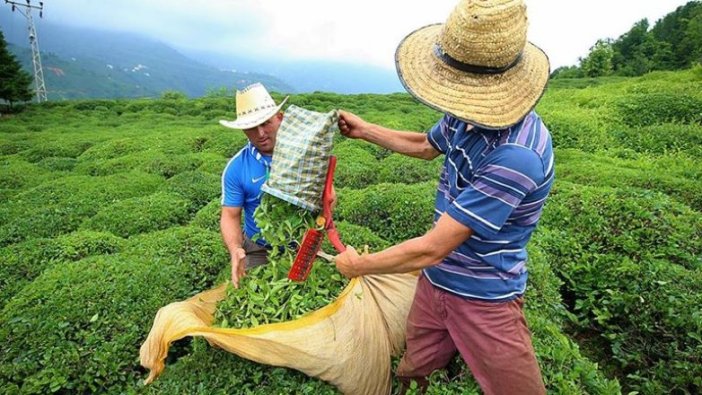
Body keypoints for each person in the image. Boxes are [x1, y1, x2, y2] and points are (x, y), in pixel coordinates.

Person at [334, 0, 552, 394]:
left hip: (483, 295)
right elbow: (425, 145)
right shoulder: (467, 113)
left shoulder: (517, 156)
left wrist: (360, 265)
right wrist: (365, 130)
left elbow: (432, 248)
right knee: (417, 366)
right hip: (436, 281)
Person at [219, 83, 288, 288]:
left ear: (280, 118)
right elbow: (230, 215)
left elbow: (327, 198)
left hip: (303, 245)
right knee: (249, 295)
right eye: (251, 128)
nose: (260, 134)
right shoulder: (236, 168)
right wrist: (235, 249)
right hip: (258, 249)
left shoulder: (304, 157)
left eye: (266, 123)